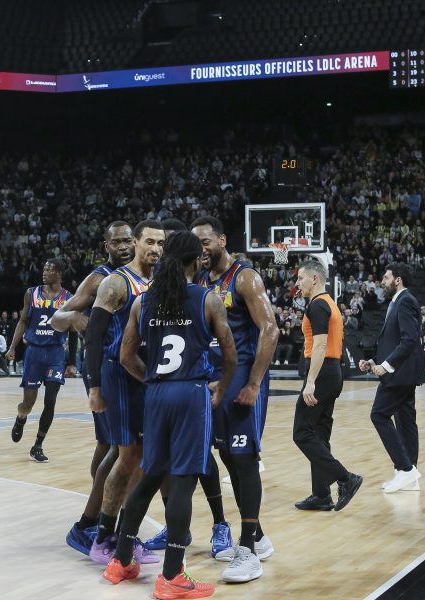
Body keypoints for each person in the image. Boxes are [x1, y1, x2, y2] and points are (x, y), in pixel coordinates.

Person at [102, 231, 236, 599]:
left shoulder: (142, 302)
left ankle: (121, 561)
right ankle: (173, 575)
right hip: (191, 393)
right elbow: (230, 354)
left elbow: (126, 356)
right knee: (182, 483)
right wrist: (221, 388)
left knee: (149, 477)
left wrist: (154, 380)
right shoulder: (208, 299)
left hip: (156, 394)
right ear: (198, 261)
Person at [192, 216, 279, 583]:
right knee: (226, 456)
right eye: (197, 245)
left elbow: (270, 328)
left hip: (243, 378)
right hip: (215, 379)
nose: (202, 250)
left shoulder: (245, 277)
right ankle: (257, 535)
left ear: (222, 240)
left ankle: (247, 551)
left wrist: (255, 383)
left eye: (207, 242)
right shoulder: (199, 280)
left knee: (244, 459)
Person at [51, 221, 135, 556]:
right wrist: (73, 319)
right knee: (116, 447)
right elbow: (58, 316)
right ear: (106, 246)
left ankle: (101, 514)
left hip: (126, 367)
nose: (123, 246)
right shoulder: (99, 278)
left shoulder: (140, 275)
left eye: (128, 240)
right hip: (104, 368)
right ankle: (93, 522)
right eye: (116, 242)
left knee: (113, 446)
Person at [86, 220, 164, 565]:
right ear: (135, 243)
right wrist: (94, 387)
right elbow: (92, 336)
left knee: (142, 459)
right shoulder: (116, 282)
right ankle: (103, 538)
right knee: (127, 455)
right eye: (149, 242)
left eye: (161, 244)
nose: (156, 249)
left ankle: (125, 536)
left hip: (145, 375)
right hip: (117, 375)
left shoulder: (158, 281)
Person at [292, 259, 363, 511]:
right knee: (319, 435)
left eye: (300, 278)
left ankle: (346, 478)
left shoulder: (318, 305)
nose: (297, 283)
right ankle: (321, 494)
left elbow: (320, 345)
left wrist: (310, 382)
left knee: (301, 433)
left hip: (321, 373)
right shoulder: (330, 303)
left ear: (315, 279)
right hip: (333, 372)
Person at [358, 263, 424, 493]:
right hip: (403, 373)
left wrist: (386, 366)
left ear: (397, 280)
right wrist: (374, 362)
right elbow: (393, 341)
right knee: (406, 422)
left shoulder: (405, 300)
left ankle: (406, 469)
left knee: (378, 414)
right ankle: (408, 476)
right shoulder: (397, 301)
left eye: (386, 278)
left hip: (400, 373)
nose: (382, 282)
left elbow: (409, 339)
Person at [6, 258, 73, 463]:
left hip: (55, 354)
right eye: (44, 268)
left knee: (50, 400)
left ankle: (38, 445)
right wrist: (12, 347)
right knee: (28, 403)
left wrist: (71, 362)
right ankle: (21, 418)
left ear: (59, 273)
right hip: (34, 353)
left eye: (50, 269)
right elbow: (23, 321)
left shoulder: (69, 298)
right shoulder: (31, 293)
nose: (45, 272)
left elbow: (73, 329)